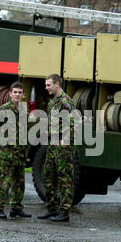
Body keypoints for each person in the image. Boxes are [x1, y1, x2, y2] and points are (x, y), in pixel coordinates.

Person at [0, 81, 31, 219]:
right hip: (6, 154)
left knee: (19, 182)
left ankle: (16, 208)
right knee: (3, 182)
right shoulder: (3, 110)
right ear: (10, 94)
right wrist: (0, 145)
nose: (17, 95)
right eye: (15, 92)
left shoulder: (24, 110)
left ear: (23, 94)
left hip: (19, 154)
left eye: (20, 92)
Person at [38, 74, 76, 222]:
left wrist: (66, 140)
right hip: (53, 144)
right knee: (47, 175)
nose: (46, 87)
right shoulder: (54, 102)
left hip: (63, 146)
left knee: (65, 178)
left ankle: (64, 212)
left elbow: (74, 123)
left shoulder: (66, 101)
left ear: (57, 84)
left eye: (49, 85)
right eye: (46, 85)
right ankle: (52, 208)